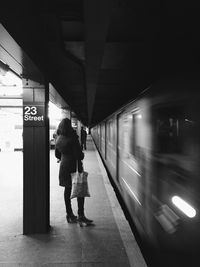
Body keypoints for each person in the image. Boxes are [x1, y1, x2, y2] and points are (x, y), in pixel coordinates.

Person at [55, 118, 93, 224]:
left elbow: (57, 155)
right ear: (69, 126)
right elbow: (79, 156)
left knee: (67, 191)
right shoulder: (73, 138)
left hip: (63, 167)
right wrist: (82, 154)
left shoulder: (58, 138)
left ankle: (69, 214)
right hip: (74, 167)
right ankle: (81, 215)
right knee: (80, 191)